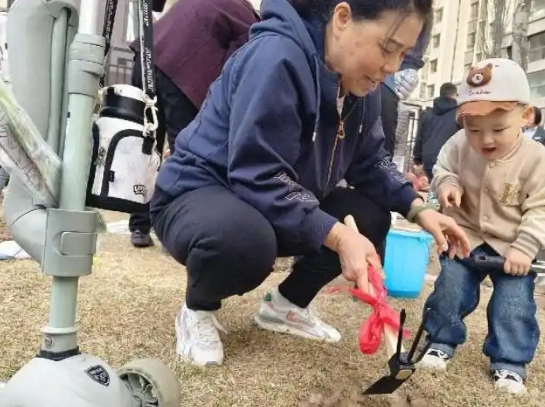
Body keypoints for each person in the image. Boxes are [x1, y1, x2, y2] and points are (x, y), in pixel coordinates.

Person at [150, 0, 472, 367]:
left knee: (369, 216)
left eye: (403, 55)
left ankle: (286, 306)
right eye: (387, 47)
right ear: (343, 18)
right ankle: (197, 309)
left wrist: (418, 209)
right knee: (243, 239)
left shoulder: (359, 87)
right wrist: (338, 236)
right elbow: (258, 174)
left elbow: (370, 161)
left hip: (272, 203)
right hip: (202, 194)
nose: (393, 67)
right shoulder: (276, 57)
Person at [418, 59, 545, 394]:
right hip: (465, 237)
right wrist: (447, 184)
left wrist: (526, 246)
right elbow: (444, 167)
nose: (484, 139)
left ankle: (510, 362)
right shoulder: (458, 144)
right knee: (449, 289)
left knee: (514, 304)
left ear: (525, 116)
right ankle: (439, 341)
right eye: (474, 129)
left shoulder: (538, 161)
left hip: (514, 248)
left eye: (498, 129)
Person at [127, 0, 260, 248]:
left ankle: (139, 226)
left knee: (145, 144)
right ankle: (174, 229)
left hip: (145, 58)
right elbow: (238, 73)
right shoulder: (250, 22)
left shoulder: (226, 6)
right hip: (180, 73)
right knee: (185, 154)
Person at [412, 82, 460, 180]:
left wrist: (417, 159)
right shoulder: (459, 114)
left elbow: (420, 137)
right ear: (454, 95)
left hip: (429, 160)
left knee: (433, 185)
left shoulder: (427, 114)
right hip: (449, 161)